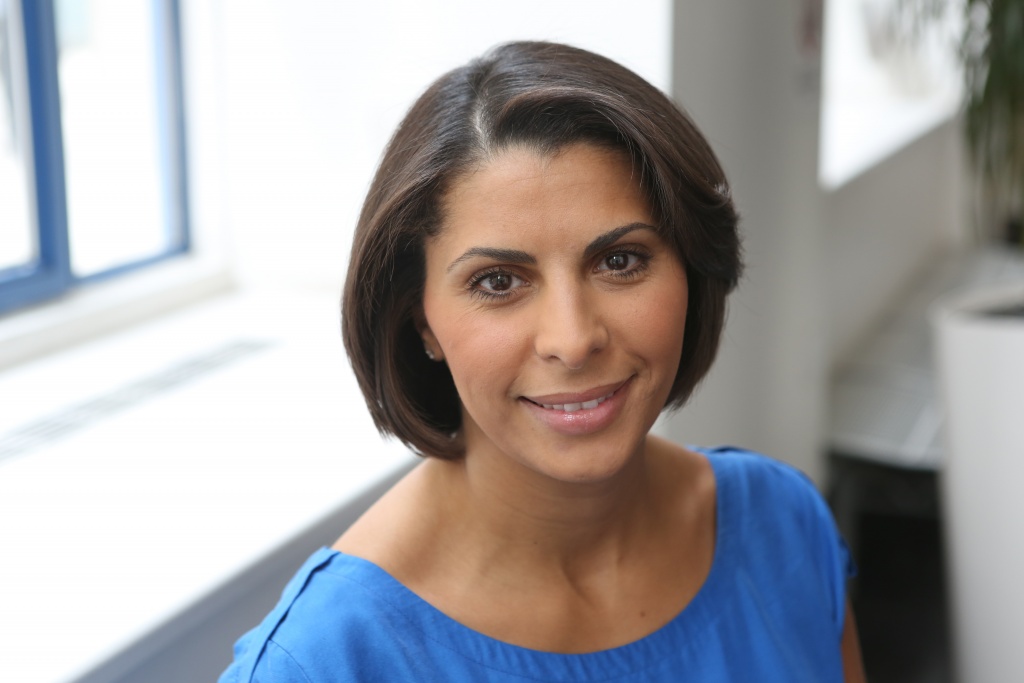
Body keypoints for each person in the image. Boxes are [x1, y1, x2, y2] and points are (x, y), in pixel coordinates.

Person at [220, 41, 866, 682]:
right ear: (421, 320)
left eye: (620, 261)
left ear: (692, 273)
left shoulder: (782, 524)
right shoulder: (322, 662)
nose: (573, 339)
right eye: (499, 281)